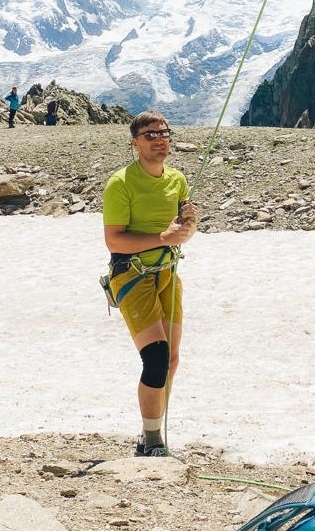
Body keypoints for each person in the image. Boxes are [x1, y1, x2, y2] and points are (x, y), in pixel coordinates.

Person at [102, 110, 198, 457]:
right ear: (135, 143)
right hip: (132, 274)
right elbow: (115, 241)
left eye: (164, 133)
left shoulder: (177, 180)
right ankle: (152, 440)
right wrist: (164, 236)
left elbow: (181, 233)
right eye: (150, 135)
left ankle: (152, 432)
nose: (159, 140)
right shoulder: (121, 183)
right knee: (156, 357)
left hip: (167, 274)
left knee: (171, 359)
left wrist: (188, 226)